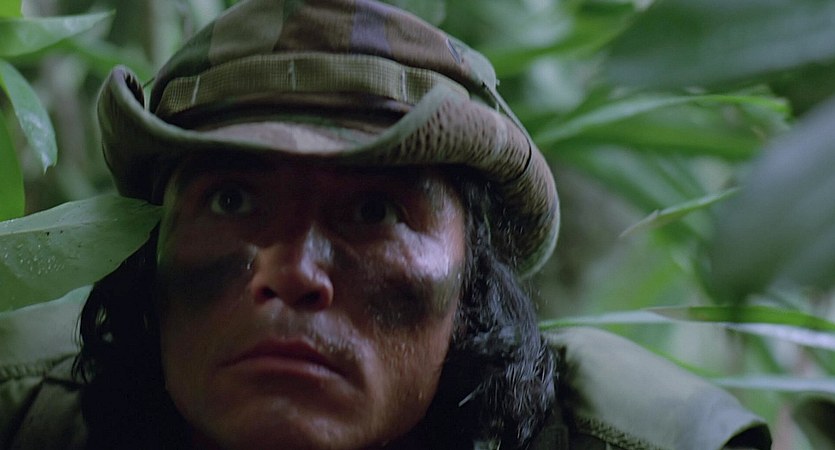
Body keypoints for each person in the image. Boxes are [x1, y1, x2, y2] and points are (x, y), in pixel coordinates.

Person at [0, 1, 772, 449]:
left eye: (373, 212)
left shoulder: (631, 439)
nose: (290, 272)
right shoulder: (25, 414)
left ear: (471, 289)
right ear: (151, 254)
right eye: (232, 200)